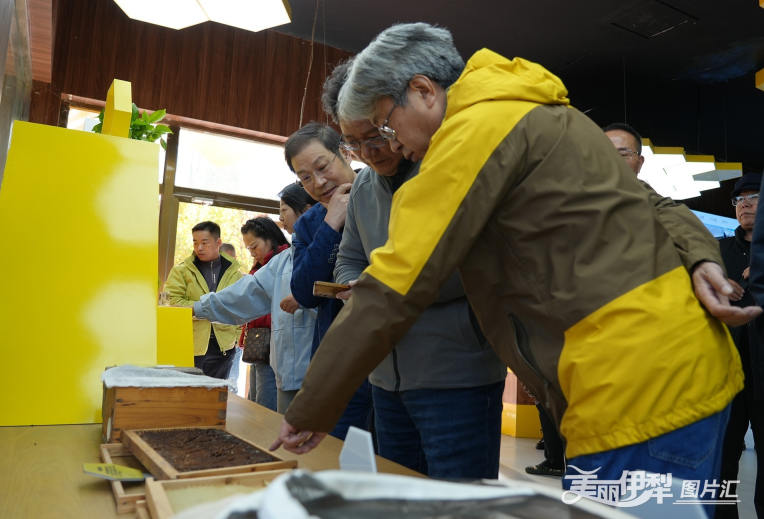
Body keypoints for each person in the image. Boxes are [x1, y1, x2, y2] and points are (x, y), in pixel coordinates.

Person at [272, 24, 757, 511]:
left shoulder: (470, 138)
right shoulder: (537, 109)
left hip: (631, 385)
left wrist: (310, 408)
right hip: (674, 369)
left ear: (423, 90)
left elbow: (393, 287)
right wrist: (700, 257)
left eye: (386, 128)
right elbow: (652, 205)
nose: (392, 145)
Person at [321, 60, 507, 479]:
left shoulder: (453, 171)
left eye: (376, 135)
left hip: (458, 372)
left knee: (459, 502)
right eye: (353, 144)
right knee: (398, 494)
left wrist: (385, 283)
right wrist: (355, 282)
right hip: (385, 375)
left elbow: (476, 264)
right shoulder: (364, 188)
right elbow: (349, 255)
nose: (369, 153)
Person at [193, 187, 317, 414]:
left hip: (303, 365)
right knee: (269, 414)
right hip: (282, 360)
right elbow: (249, 291)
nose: (280, 218)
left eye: (284, 210)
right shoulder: (284, 260)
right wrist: (199, 308)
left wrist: (304, 298)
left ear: (307, 211)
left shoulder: (317, 253)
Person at [285, 122, 374, 441]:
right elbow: (303, 292)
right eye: (305, 177)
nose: (318, 182)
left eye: (323, 167)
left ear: (346, 154)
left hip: (391, 355)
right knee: (340, 460)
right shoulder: (309, 224)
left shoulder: (383, 192)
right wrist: (331, 222)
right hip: (339, 362)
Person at [717, 172, 764, 519]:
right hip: (726, 373)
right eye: (739, 199)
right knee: (722, 457)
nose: (745, 204)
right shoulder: (716, 252)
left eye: (753, 196)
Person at [163, 221, 244, 379]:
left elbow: (240, 306)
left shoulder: (234, 273)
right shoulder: (181, 271)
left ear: (218, 242)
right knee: (187, 396)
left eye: (204, 243)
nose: (199, 248)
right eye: (195, 243)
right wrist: (207, 307)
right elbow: (171, 302)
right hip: (191, 345)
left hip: (224, 348)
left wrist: (235, 339)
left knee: (215, 398)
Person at [238, 217, 290, 412]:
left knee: (264, 406)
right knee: (254, 401)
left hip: (272, 342)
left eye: (254, 246)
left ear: (269, 238)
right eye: (248, 249)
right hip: (259, 341)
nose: (252, 253)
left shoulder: (282, 261)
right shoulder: (263, 264)